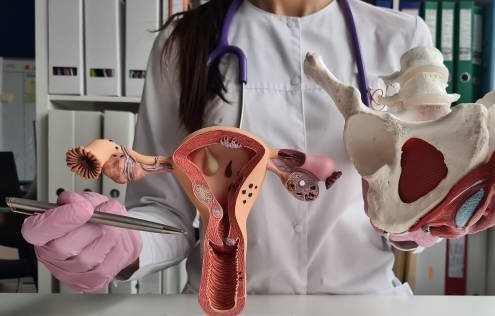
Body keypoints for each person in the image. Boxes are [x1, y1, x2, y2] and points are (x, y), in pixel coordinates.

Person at [22, 0, 432, 294]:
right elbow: (167, 211)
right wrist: (124, 245)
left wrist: (429, 216)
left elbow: (413, 210)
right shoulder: (184, 42)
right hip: (225, 302)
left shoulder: (403, 39)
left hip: (364, 302)